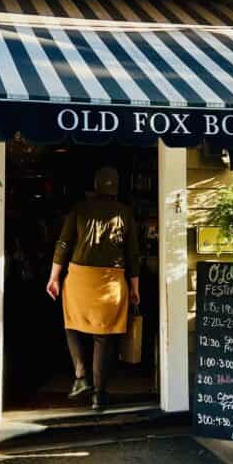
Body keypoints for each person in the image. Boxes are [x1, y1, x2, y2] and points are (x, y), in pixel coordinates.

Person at [46, 166, 140, 411]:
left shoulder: (79, 209)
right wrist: (134, 286)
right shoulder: (125, 212)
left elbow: (64, 243)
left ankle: (80, 372)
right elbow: (132, 254)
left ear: (96, 185)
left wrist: (54, 277)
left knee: (71, 323)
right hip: (112, 279)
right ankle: (98, 396)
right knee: (103, 338)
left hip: (80, 277)